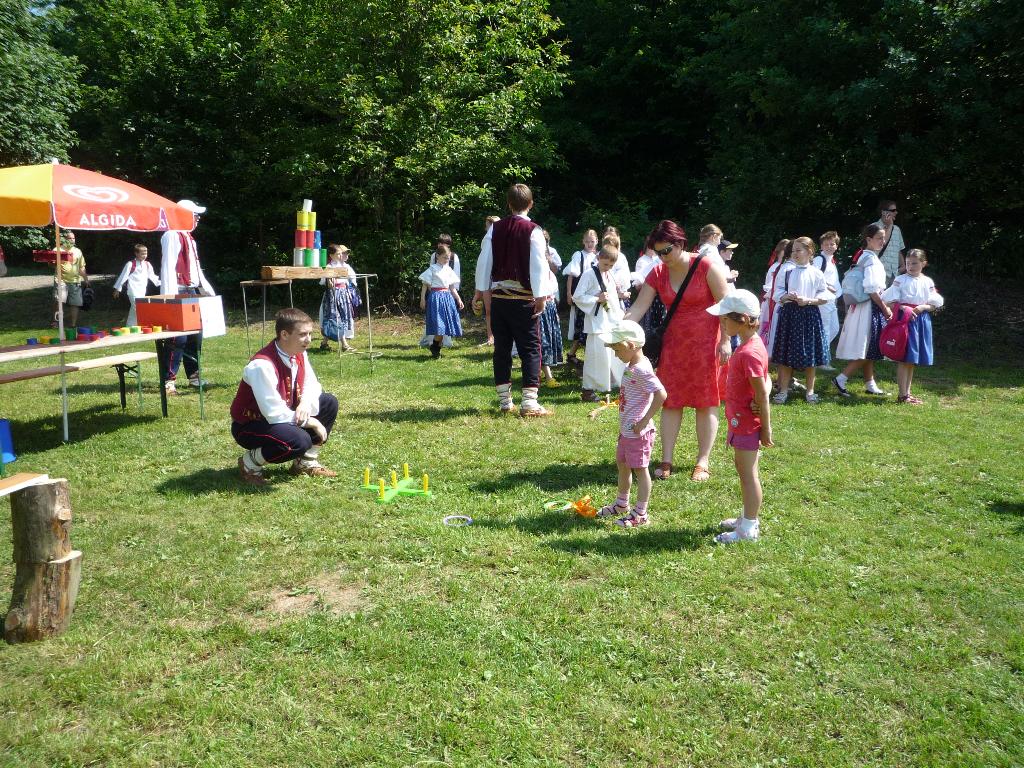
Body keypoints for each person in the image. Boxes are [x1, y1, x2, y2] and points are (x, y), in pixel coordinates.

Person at [625, 220, 732, 482]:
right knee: (670, 400)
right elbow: (638, 307)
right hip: (674, 345)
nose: (663, 257)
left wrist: (726, 341)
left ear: (680, 244)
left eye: (667, 251)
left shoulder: (706, 266)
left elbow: (726, 305)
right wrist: (621, 330)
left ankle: (703, 461)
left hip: (707, 343)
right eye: (658, 252)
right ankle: (667, 459)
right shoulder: (657, 272)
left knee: (706, 402)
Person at [230, 308, 339, 486]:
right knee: (298, 441)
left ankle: (305, 463)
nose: (309, 339)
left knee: (328, 403)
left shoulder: (300, 353)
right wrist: (311, 422)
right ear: (284, 335)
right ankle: (249, 463)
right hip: (250, 425)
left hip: (277, 417)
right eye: (302, 334)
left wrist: (305, 403)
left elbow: (312, 384)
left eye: (310, 334)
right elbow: (273, 413)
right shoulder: (262, 365)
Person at [474, 184, 551, 416]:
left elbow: (484, 261)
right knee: (530, 349)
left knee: (502, 348)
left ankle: (505, 402)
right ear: (531, 204)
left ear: (509, 204)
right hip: (523, 300)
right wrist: (541, 295)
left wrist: (480, 290)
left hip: (499, 299)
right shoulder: (533, 230)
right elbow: (538, 265)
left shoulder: (494, 229)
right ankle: (529, 403)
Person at [705, 290, 773, 544]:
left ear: (742, 319)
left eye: (725, 320)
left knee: (748, 475)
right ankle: (746, 517)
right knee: (745, 471)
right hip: (740, 420)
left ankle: (748, 528)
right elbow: (765, 381)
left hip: (747, 425)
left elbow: (762, 392)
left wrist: (765, 427)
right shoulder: (749, 345)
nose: (721, 324)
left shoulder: (749, 353)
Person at [594, 319, 667, 528]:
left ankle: (641, 513)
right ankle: (621, 504)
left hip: (638, 433)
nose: (616, 354)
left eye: (617, 350)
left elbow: (661, 394)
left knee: (640, 470)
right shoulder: (632, 366)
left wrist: (644, 421)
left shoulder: (641, 370)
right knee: (623, 466)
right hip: (627, 431)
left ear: (630, 345)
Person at [159, 199, 215, 395]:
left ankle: (194, 375)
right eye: (195, 215)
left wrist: (206, 289)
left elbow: (196, 268)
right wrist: (169, 298)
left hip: (191, 291)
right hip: (178, 291)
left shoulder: (189, 237)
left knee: (195, 336)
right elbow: (168, 267)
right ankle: (168, 380)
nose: (197, 219)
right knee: (177, 338)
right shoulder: (172, 235)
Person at [770, 236, 832, 403]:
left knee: (810, 354)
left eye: (798, 250)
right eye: (793, 250)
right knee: (786, 354)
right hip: (789, 314)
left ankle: (810, 392)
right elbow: (777, 292)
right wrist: (786, 296)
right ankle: (783, 390)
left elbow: (824, 296)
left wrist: (808, 300)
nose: (795, 253)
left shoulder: (816, 273)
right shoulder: (786, 271)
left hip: (809, 315)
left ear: (809, 251)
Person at [833, 224, 892, 397]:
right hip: (869, 307)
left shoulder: (863, 256)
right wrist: (885, 308)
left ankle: (870, 384)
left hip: (862, 307)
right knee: (868, 347)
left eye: (883, 238)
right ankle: (841, 378)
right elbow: (872, 289)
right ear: (868, 239)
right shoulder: (871, 260)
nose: (882, 241)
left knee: (869, 347)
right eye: (879, 238)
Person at [881, 248, 944, 404]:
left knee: (911, 359)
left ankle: (907, 394)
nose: (910, 266)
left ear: (924, 263)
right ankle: (902, 395)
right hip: (905, 320)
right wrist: (903, 307)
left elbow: (934, 304)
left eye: (914, 263)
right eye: (908, 263)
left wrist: (923, 307)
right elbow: (888, 300)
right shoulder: (900, 280)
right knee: (904, 358)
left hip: (920, 320)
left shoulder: (927, 281)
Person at [572, 245, 627, 401]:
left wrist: (620, 311)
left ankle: (615, 385)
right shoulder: (589, 274)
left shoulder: (609, 274)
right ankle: (588, 391)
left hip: (611, 321)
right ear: (598, 258)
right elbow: (577, 297)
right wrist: (597, 298)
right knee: (595, 358)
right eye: (605, 264)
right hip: (596, 324)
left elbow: (612, 297)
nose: (607, 267)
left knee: (614, 356)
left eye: (611, 265)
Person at [561, 229, 599, 367]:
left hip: (595, 297)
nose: (589, 244)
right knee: (581, 325)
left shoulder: (598, 257)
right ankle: (573, 354)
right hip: (581, 297)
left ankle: (581, 355)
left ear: (597, 241)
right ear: (583, 241)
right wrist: (569, 294)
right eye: (587, 241)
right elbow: (571, 276)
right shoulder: (579, 255)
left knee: (591, 326)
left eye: (592, 241)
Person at [419, 244, 464, 358]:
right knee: (439, 325)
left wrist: (458, 299)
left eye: (448, 258)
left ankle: (436, 348)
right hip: (436, 298)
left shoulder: (448, 270)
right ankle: (435, 347)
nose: (446, 260)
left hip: (447, 298)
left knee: (445, 326)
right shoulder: (433, 269)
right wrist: (422, 299)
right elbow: (425, 285)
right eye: (444, 257)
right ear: (437, 256)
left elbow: (452, 287)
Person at [319, 244, 357, 351]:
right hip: (333, 294)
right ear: (331, 255)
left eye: (341, 254)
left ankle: (324, 343)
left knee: (343, 317)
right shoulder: (329, 267)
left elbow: (352, 278)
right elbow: (323, 281)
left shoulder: (344, 266)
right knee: (335, 317)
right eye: (338, 254)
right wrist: (329, 280)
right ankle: (344, 345)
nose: (341, 255)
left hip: (343, 294)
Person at [112, 244, 160, 326]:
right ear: (136, 253)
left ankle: (130, 327)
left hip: (142, 291)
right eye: (142, 254)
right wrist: (117, 289)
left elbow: (153, 277)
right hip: (133, 291)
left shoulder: (147, 264)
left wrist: (162, 282)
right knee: (139, 309)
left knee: (133, 311)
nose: (145, 255)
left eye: (146, 253)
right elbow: (123, 277)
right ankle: (144, 327)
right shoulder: (130, 264)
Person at [758, 238, 791, 360]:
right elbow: (770, 287)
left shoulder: (782, 266)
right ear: (779, 252)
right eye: (785, 250)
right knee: (767, 327)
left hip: (774, 300)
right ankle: (766, 352)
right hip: (770, 301)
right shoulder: (776, 267)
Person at [472, 215, 502, 346]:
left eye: (487, 226)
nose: (486, 229)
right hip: (488, 279)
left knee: (500, 309)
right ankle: (490, 336)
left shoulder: (502, 239)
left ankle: (501, 335)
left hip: (500, 279)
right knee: (489, 309)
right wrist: (478, 291)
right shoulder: (486, 241)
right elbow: (482, 266)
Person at [540, 230, 563, 386]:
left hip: (550, 306)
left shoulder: (549, 270)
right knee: (542, 341)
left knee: (549, 339)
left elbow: (553, 290)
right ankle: (548, 376)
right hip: (538, 305)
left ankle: (540, 373)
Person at [52, 230, 88, 329]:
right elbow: (50, 264)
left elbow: (81, 267)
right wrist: (53, 262)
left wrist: (86, 279)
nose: (72, 240)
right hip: (60, 280)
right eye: (70, 238)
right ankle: (56, 321)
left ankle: (73, 325)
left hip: (75, 281)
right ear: (65, 239)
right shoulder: (57, 249)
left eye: (73, 238)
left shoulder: (78, 251)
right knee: (59, 301)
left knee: (75, 303)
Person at [814, 231, 843, 346]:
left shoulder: (831, 261)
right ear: (821, 246)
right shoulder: (819, 259)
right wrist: (827, 287)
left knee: (834, 329)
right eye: (826, 244)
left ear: (836, 246)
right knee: (825, 329)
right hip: (822, 299)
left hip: (832, 300)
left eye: (832, 244)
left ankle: (819, 351)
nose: (829, 247)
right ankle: (822, 355)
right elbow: (813, 277)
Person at [875, 199, 905, 281]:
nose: (896, 212)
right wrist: (890, 225)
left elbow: (898, 250)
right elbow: (882, 243)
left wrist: (903, 266)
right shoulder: (874, 228)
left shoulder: (897, 229)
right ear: (883, 212)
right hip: (878, 273)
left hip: (894, 274)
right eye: (893, 210)